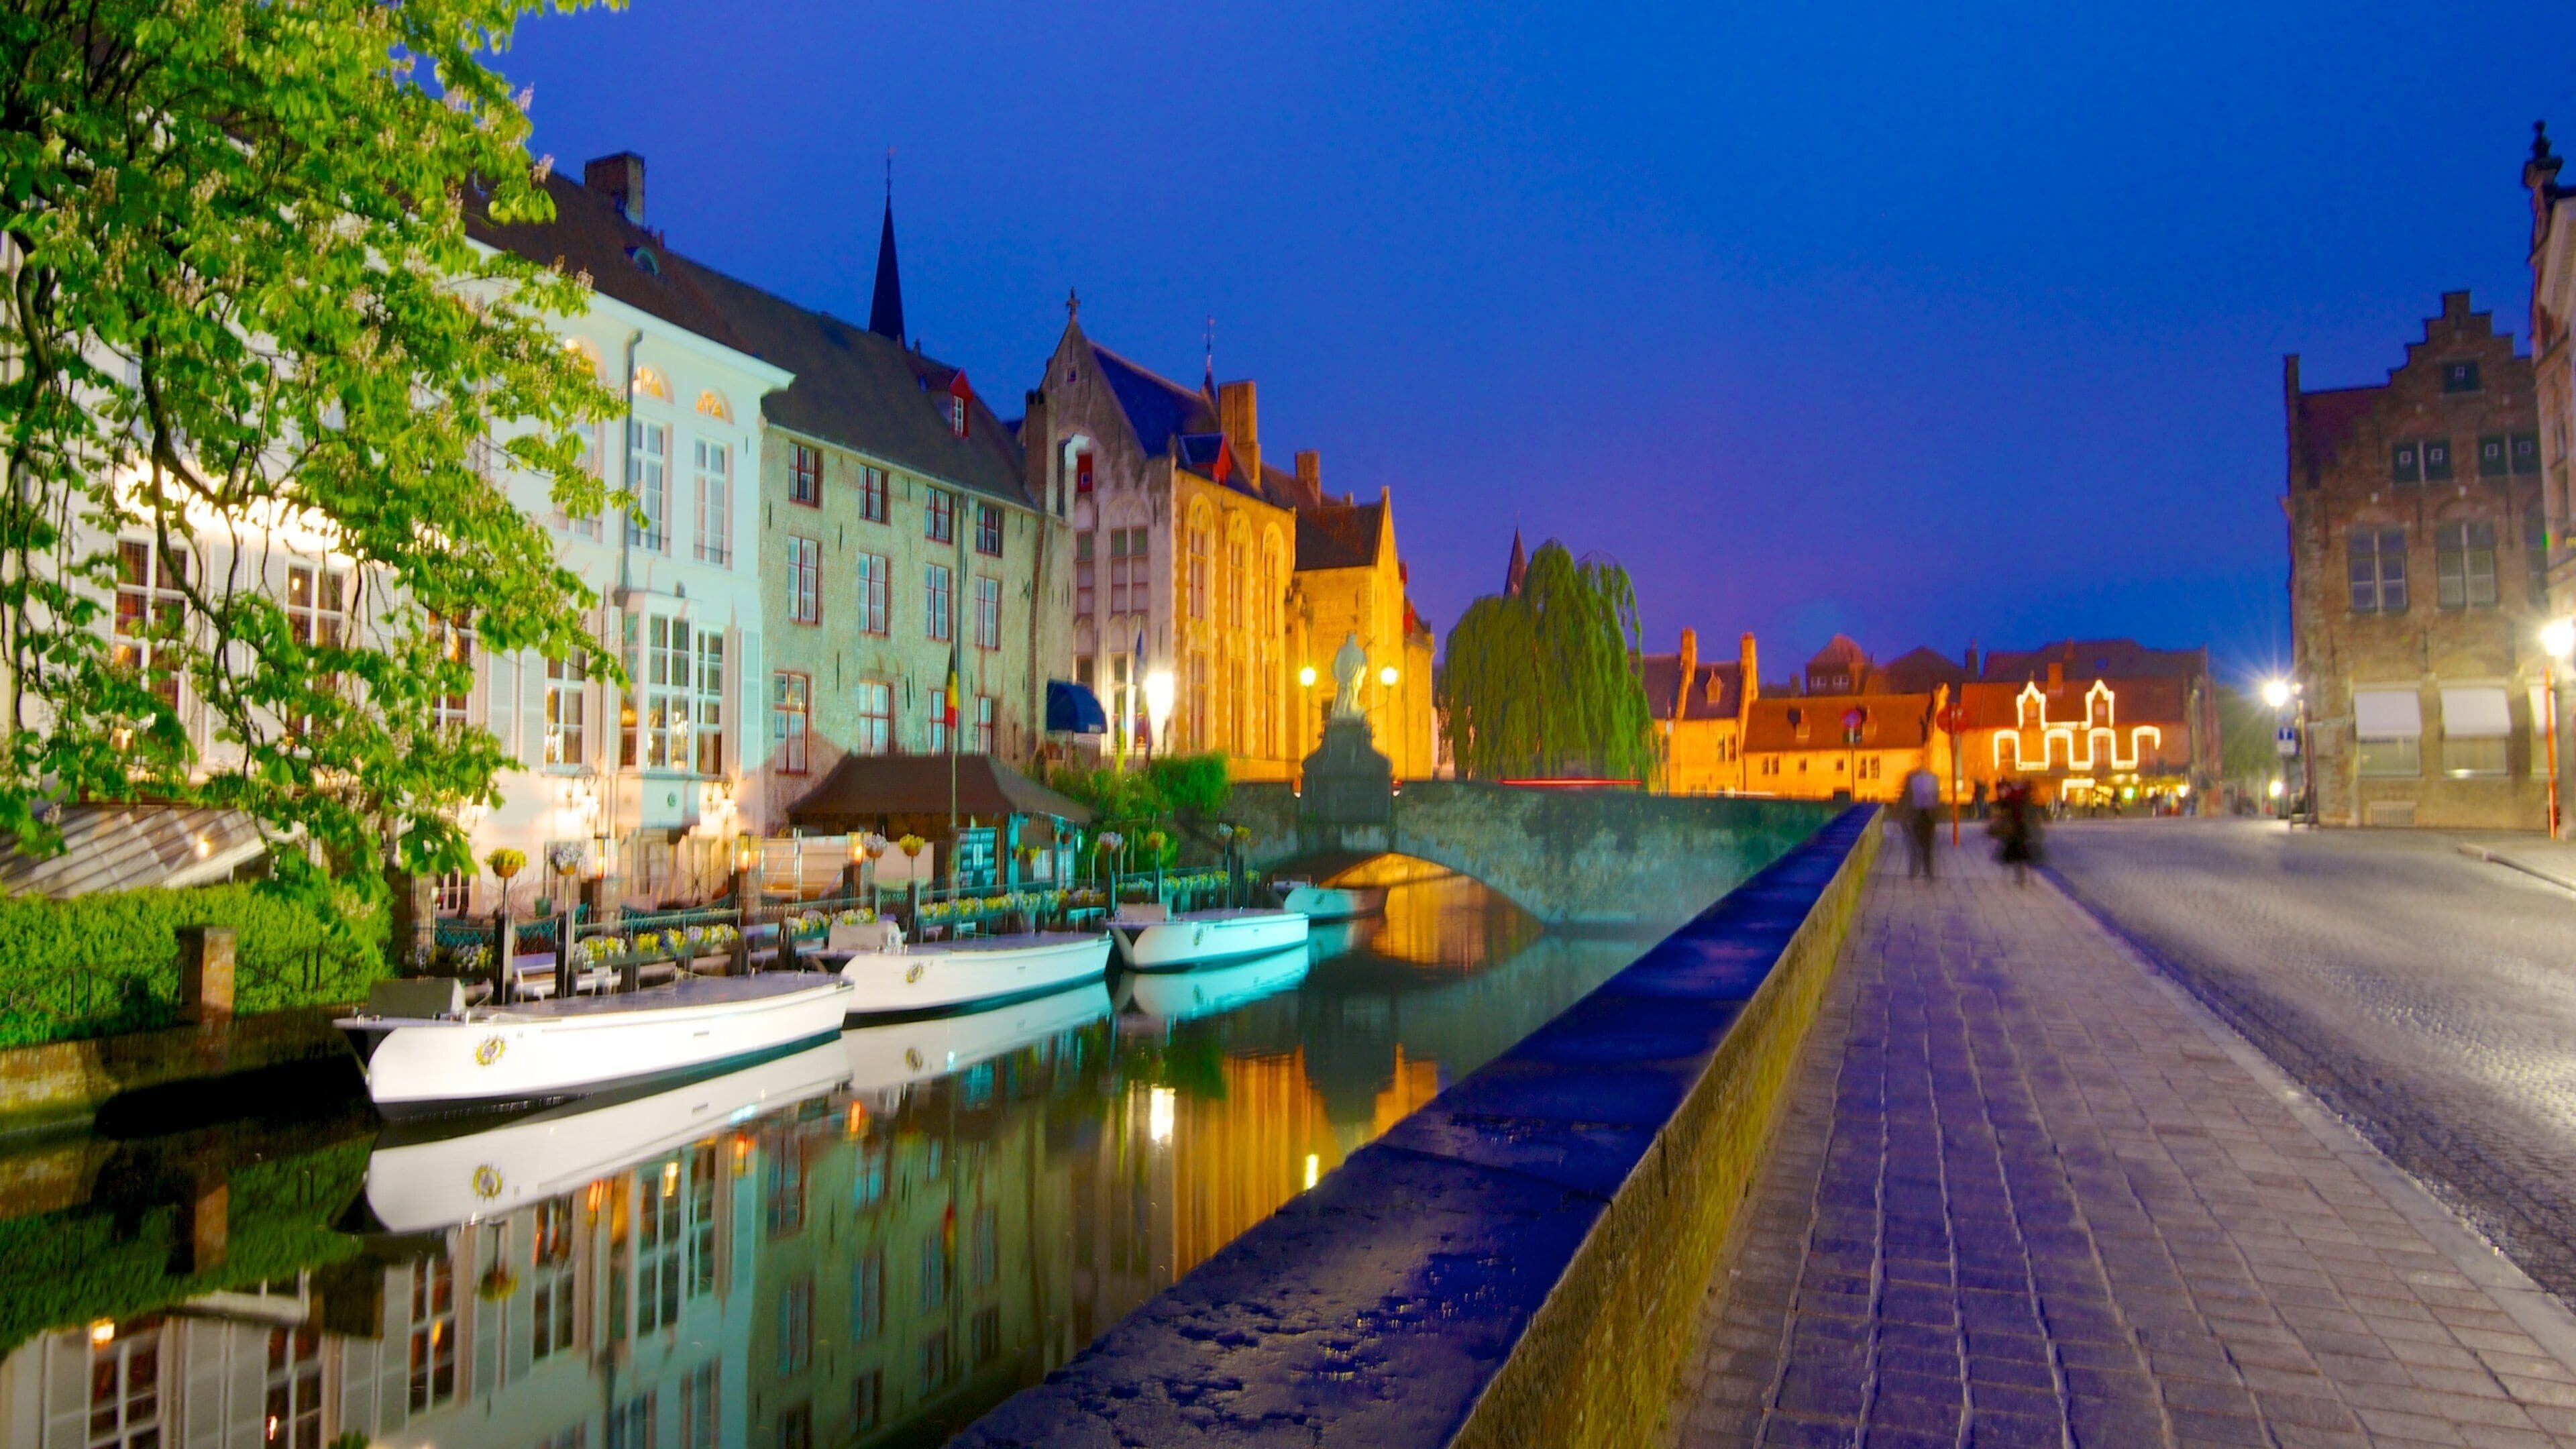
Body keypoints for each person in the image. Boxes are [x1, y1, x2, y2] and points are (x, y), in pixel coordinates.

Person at [1990, 780, 2043, 885]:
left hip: (2014, 828)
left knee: (2013, 853)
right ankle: (2025, 877)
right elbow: (2032, 809)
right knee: (2023, 853)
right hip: (2022, 827)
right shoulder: (2025, 795)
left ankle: (2015, 876)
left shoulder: (2010, 795)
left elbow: (2003, 807)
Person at [1900, 764, 1941, 879]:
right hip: (1929, 818)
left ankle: (1914, 871)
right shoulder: (1933, 780)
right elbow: (1937, 798)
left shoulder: (1911, 781)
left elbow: (1906, 800)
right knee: (1928, 846)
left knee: (1914, 846)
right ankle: (1928, 872)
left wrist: (1903, 818)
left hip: (1916, 817)